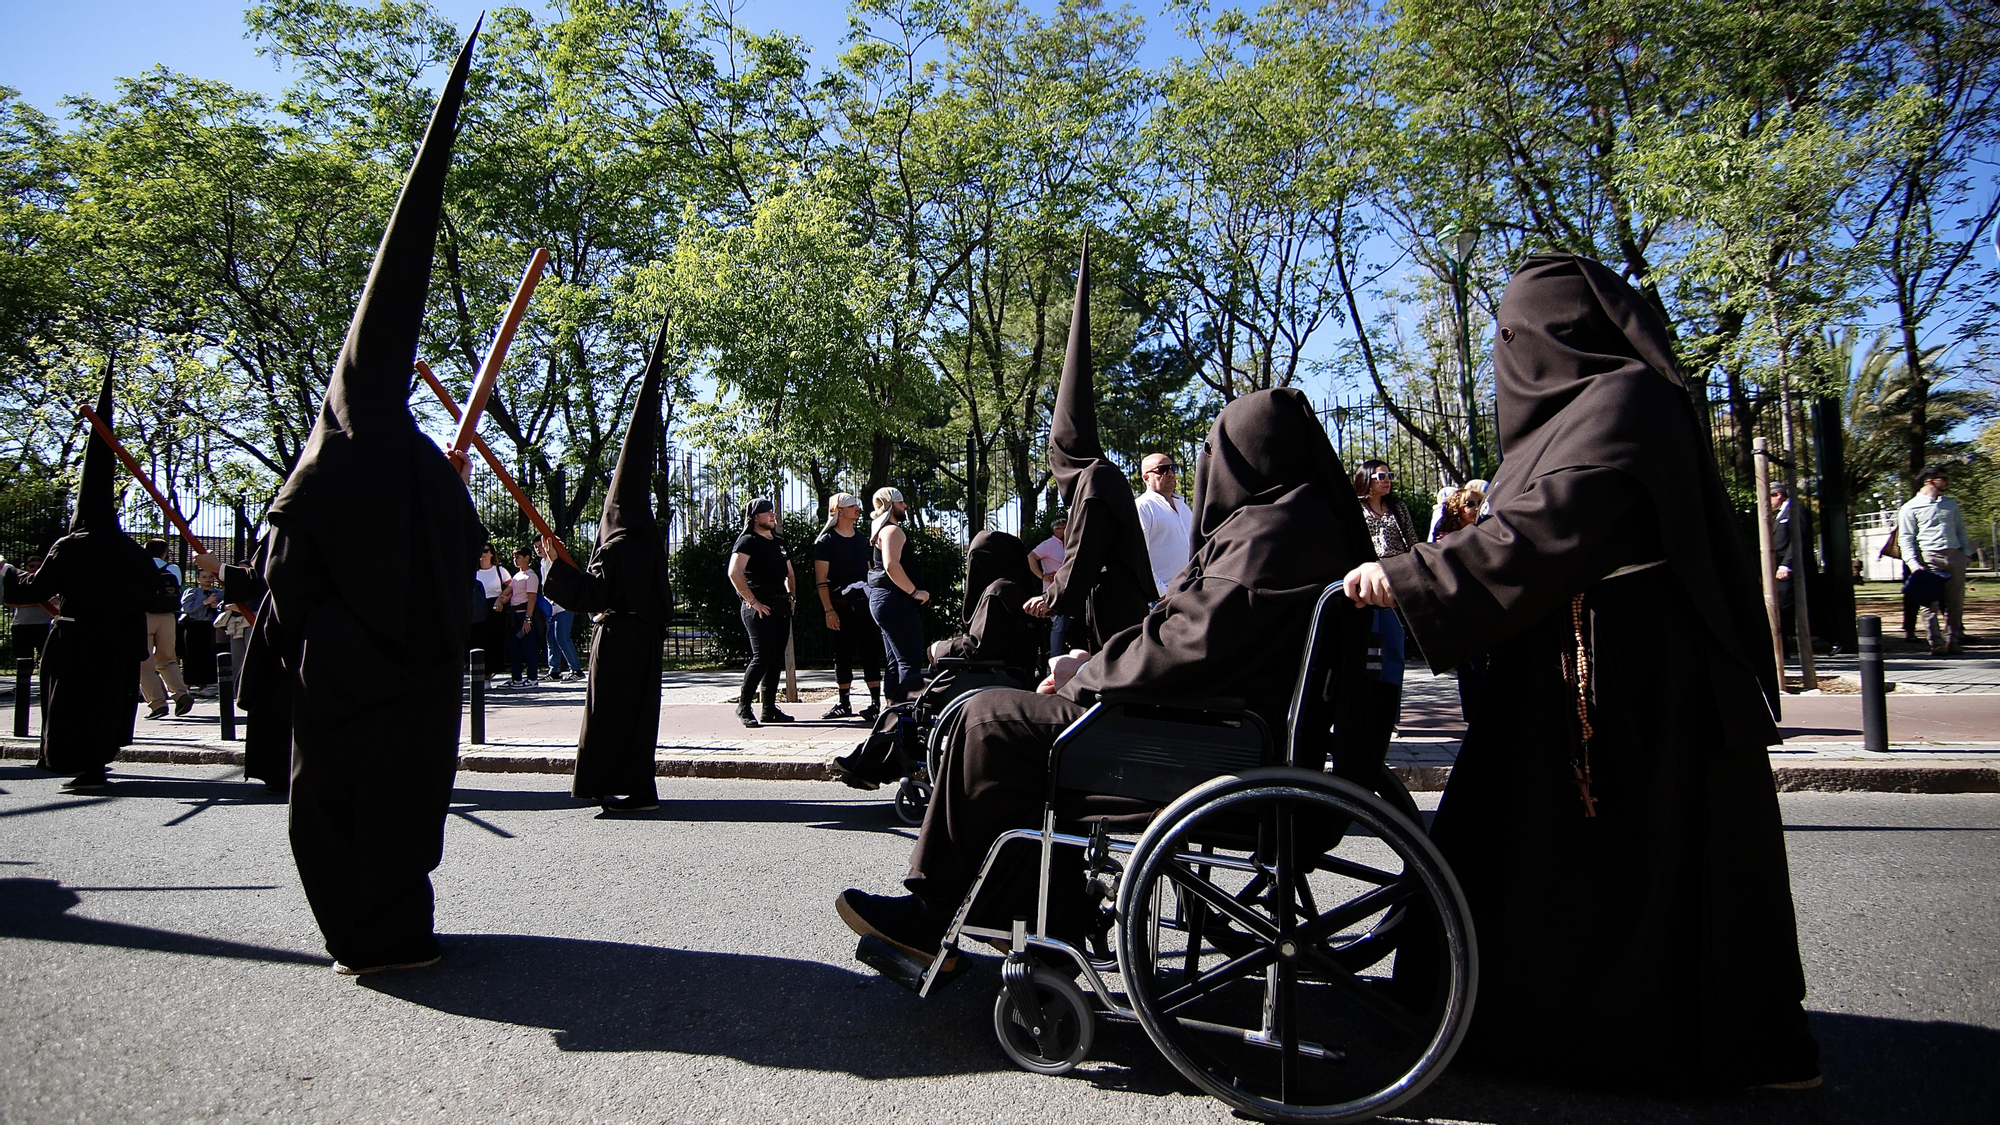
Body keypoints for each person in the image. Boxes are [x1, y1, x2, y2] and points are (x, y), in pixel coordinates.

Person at [1344, 252, 1819, 1090]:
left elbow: (1548, 530)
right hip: (1578, 677)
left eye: (1512, 335)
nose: (1506, 355)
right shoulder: (1583, 415)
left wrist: (1414, 576)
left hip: (1644, 692)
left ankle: (1653, 1046)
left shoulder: (1625, 406)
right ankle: (1526, 1022)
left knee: (1639, 875)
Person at [835, 388, 1371, 968]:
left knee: (987, 718)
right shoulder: (1306, 526)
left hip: (1202, 741)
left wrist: (1084, 674)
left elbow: (1186, 645)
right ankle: (1024, 917)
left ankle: (938, 914)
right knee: (1012, 724)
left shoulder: (1264, 537)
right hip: (1229, 731)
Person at [260, 27, 487, 976]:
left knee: (345, 807)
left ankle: (363, 934)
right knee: (404, 806)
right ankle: (403, 928)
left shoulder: (324, 466)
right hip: (421, 678)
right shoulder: (431, 469)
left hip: (346, 681)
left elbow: (287, 582)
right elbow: (463, 566)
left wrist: (315, 646)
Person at [540, 315, 677, 812]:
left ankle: (607, 784)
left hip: (618, 636)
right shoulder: (648, 541)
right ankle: (639, 787)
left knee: (608, 713)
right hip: (647, 637)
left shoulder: (616, 544)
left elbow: (593, 595)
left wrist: (553, 565)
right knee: (639, 716)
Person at [0, 374, 155, 789]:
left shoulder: (71, 546)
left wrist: (6, 571)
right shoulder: (133, 551)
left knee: (74, 704)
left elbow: (33, 590)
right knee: (107, 704)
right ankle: (96, 762)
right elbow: (154, 592)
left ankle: (73, 760)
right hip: (119, 640)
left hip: (79, 639)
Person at [1022, 243, 1153, 650]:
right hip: (1121, 605)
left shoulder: (1095, 481)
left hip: (1114, 613)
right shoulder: (1106, 476)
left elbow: (1080, 554)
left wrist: (1052, 597)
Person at [227, 533, 291, 795]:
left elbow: (267, 573)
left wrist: (220, 570)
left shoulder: (292, 520)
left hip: (287, 626)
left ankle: (280, 771)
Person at [928, 530, 1042, 674]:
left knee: (910, 687)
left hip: (994, 679)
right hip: (1018, 674)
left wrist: (938, 648)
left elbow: (979, 648)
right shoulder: (1019, 588)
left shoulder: (998, 593)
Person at [814, 493, 883, 721]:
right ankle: (844, 703)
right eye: (851, 505)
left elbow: (869, 570)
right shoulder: (825, 542)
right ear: (839, 511)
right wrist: (828, 610)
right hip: (840, 607)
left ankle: (875, 703)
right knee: (841, 654)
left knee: (870, 652)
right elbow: (821, 580)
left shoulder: (862, 539)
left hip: (864, 605)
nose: (857, 509)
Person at [728, 497, 796, 727]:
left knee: (776, 657)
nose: (772, 515)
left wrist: (791, 597)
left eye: (773, 512)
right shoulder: (747, 541)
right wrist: (753, 601)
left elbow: (790, 574)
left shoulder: (778, 542)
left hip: (780, 606)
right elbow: (734, 573)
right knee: (762, 656)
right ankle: (744, 706)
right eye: (768, 512)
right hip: (759, 609)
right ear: (755, 517)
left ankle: (769, 708)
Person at [865, 488, 930, 706]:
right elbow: (891, 565)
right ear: (892, 505)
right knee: (909, 661)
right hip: (896, 600)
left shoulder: (879, 531)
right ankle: (907, 711)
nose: (905, 507)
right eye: (901, 503)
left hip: (883, 600)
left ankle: (892, 708)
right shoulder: (892, 531)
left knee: (894, 660)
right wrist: (914, 592)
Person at [1897, 465, 1970, 655]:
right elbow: (1905, 538)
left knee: (1956, 602)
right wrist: (1914, 564)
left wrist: (1965, 553)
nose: (1947, 482)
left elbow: (1961, 530)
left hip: (1954, 555)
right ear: (1930, 481)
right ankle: (1936, 642)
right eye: (1943, 478)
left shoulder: (1951, 504)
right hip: (1929, 557)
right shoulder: (1910, 507)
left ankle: (1953, 640)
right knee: (1929, 603)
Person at [139, 537, 195, 719]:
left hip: (144, 616)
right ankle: (180, 694)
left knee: (143, 662)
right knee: (167, 658)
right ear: (164, 552)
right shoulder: (173, 569)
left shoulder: (138, 567)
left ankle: (157, 703)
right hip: (168, 617)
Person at [1134, 453, 1193, 598]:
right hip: (1162, 598)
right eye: (1162, 469)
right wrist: (1161, 592)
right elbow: (1140, 555)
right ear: (1146, 478)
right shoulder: (1143, 507)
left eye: (1173, 468)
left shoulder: (1184, 507)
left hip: (1191, 592)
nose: (1171, 474)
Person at [1770, 483, 1819, 653]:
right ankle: (1782, 647)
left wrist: (1786, 564)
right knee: (1781, 606)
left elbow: (1799, 540)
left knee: (1786, 606)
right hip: (1777, 570)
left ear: (1778, 495)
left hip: (1790, 570)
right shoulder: (1778, 514)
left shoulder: (1795, 511)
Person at [1026, 515, 1072, 658]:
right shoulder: (1048, 544)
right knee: (1059, 624)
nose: (1063, 530)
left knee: (1068, 624)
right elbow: (1031, 557)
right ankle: (1055, 658)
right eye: (1059, 528)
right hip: (1053, 590)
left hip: (1069, 589)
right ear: (1054, 531)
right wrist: (1042, 576)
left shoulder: (1070, 542)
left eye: (1065, 527)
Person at [537, 535, 582, 681]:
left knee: (562, 637)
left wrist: (557, 546)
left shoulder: (555, 560)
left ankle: (576, 669)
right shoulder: (542, 563)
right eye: (536, 547)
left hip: (564, 605)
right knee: (551, 638)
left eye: (541, 546)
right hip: (551, 606)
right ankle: (554, 670)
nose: (539, 549)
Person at [179, 565, 223, 695]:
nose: (207, 579)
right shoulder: (192, 592)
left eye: (210, 577)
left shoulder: (219, 593)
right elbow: (187, 608)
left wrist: (217, 606)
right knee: (190, 655)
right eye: (204, 577)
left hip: (209, 626)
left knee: (207, 655)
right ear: (198, 578)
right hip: (193, 626)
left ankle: (204, 685)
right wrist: (204, 602)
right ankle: (186, 686)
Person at [502, 546, 540, 687]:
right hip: (515, 616)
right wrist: (500, 600)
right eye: (514, 557)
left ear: (527, 558)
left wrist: (528, 619)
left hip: (524, 614)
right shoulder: (517, 576)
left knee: (529, 646)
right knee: (514, 647)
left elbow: (531, 599)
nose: (515, 560)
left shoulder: (531, 576)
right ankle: (516, 678)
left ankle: (532, 678)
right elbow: (509, 592)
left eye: (518, 557)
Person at [8, 556, 53, 663]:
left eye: (39, 566)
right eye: (32, 566)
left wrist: (29, 601)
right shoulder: (20, 582)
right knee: (23, 658)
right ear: (26, 567)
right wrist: (39, 601)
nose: (35, 568)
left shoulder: (50, 581)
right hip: (21, 625)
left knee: (47, 658)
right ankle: (23, 679)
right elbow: (10, 602)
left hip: (44, 625)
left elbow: (57, 601)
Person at [472, 543, 508, 679]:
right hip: (478, 607)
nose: (483, 553)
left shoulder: (499, 570)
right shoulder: (474, 571)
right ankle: (479, 672)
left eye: (486, 550)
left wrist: (501, 598)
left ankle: (489, 673)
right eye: (480, 550)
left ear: (492, 553)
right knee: (478, 639)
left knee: (494, 640)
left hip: (494, 608)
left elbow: (512, 586)